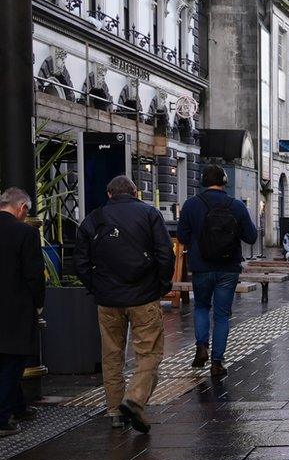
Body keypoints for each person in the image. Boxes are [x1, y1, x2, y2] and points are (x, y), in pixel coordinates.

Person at [75, 176, 175, 433]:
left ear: (109, 194)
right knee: (150, 353)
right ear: (134, 192)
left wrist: (96, 287)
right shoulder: (149, 214)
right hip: (143, 296)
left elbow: (80, 263)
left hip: (108, 300)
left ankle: (114, 412)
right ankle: (134, 399)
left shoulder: (93, 219)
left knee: (111, 355)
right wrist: (161, 285)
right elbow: (165, 254)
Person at [177, 165, 257, 377]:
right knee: (222, 315)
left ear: (204, 181)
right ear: (224, 182)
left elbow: (182, 236)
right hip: (228, 268)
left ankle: (202, 346)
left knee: (202, 307)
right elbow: (251, 237)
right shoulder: (236, 206)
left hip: (201, 267)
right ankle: (217, 363)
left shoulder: (192, 205)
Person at [0, 188, 45, 437]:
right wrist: (38, 303)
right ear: (22, 209)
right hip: (16, 307)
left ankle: (18, 406)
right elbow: (34, 274)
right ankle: (2, 417)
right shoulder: (26, 232)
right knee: (13, 361)